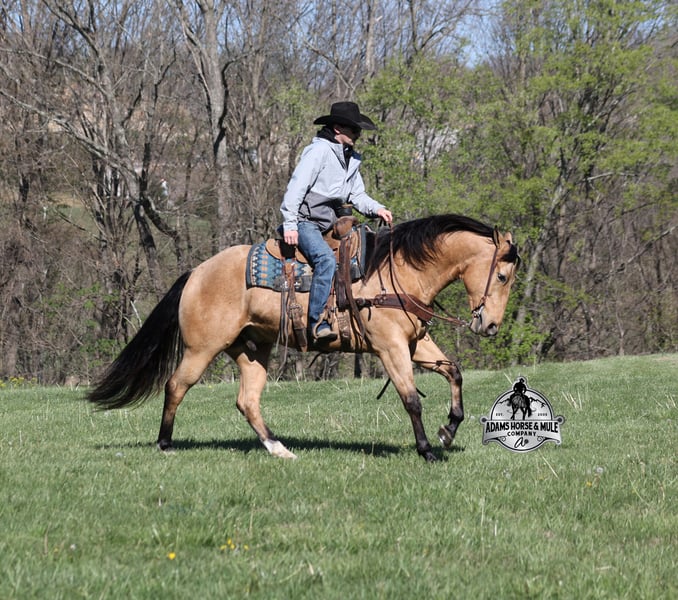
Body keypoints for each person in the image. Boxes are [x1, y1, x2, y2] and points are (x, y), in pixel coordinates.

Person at [280, 101, 393, 342]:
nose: (358, 134)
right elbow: (296, 188)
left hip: (330, 224)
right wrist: (290, 224)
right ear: (338, 129)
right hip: (306, 222)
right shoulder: (318, 152)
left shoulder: (351, 158)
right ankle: (317, 321)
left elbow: (357, 195)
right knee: (326, 260)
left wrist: (378, 208)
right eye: (354, 129)